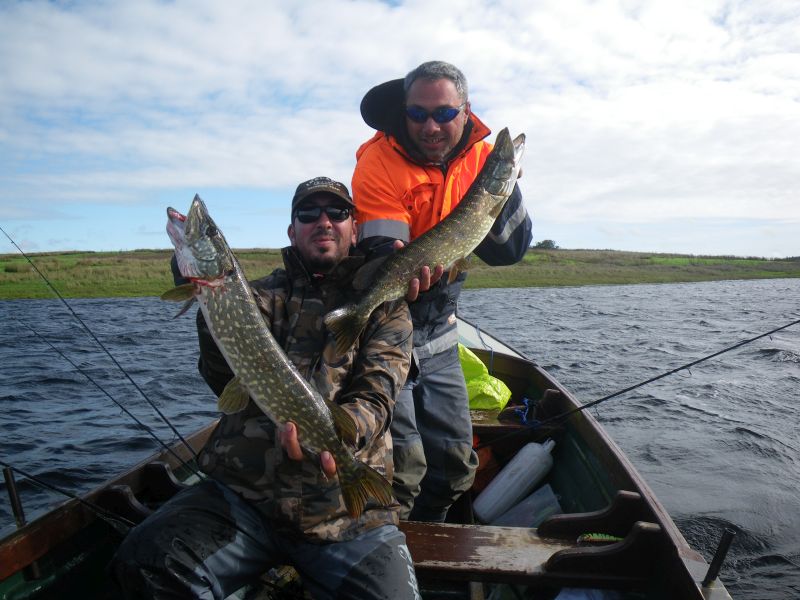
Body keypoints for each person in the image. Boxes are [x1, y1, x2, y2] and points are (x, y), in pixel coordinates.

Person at [111, 177, 420, 600]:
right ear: (293, 231)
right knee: (143, 561)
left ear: (354, 227)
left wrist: (339, 443)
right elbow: (223, 380)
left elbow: (377, 394)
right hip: (243, 498)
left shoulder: (385, 306)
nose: (323, 222)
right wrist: (206, 302)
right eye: (308, 214)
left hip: (343, 515)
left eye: (337, 212)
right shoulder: (257, 296)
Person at [351, 60, 533, 522]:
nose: (431, 126)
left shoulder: (484, 158)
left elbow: (508, 253)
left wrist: (504, 186)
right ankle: (390, 554)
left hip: (441, 331)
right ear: (404, 111)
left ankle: (430, 536)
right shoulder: (377, 162)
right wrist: (393, 270)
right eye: (418, 114)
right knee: (404, 467)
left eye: (444, 114)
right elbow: (381, 252)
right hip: (389, 328)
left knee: (454, 466)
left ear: (465, 111)